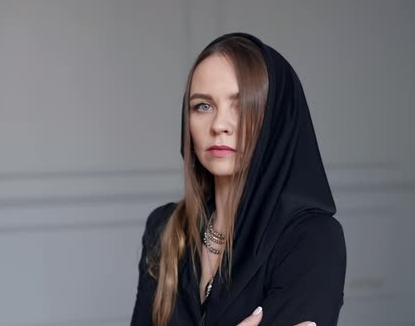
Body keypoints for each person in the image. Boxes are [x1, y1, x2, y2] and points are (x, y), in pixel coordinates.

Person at [130, 32, 346, 326]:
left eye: (241, 105)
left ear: (275, 120)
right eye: (203, 106)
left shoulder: (310, 238)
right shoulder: (164, 228)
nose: (219, 125)